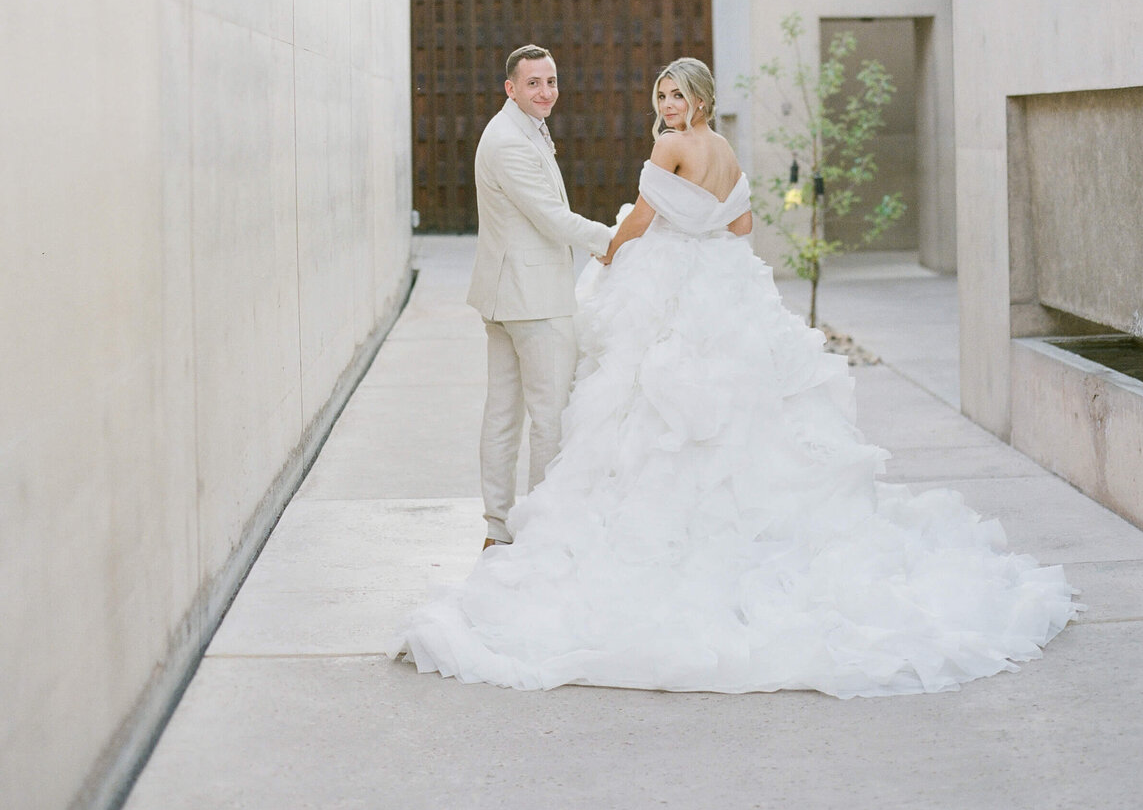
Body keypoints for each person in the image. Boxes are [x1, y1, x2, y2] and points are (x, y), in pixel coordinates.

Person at [400, 57, 1075, 696]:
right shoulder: (723, 150)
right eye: (661, 95)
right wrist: (701, 227)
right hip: (723, 282)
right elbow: (744, 222)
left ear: (699, 99)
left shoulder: (671, 147)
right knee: (744, 413)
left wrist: (612, 249)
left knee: (645, 405)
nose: (667, 106)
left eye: (676, 95)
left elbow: (641, 217)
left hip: (670, 281)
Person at [467, 44, 613, 553]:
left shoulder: (519, 128)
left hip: (509, 294)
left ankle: (499, 529)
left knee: (504, 414)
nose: (546, 92)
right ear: (511, 88)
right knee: (548, 415)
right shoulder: (509, 141)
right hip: (532, 300)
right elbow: (550, 217)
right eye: (533, 83)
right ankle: (538, 534)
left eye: (551, 81)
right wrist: (613, 240)